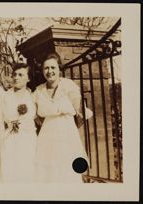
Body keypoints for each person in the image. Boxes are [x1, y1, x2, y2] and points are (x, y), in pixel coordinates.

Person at [33, 52, 88, 183]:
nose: (49, 71)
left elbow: (79, 114)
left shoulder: (69, 87)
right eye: (46, 68)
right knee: (48, 170)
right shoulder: (38, 91)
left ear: (59, 69)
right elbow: (35, 116)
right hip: (47, 136)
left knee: (66, 167)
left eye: (53, 67)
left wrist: (68, 130)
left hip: (66, 134)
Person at [0, 63, 37, 183]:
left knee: (28, 172)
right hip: (10, 140)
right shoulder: (4, 97)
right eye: (14, 74)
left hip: (29, 141)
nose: (16, 77)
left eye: (20, 75)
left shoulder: (33, 97)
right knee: (10, 173)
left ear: (28, 78)